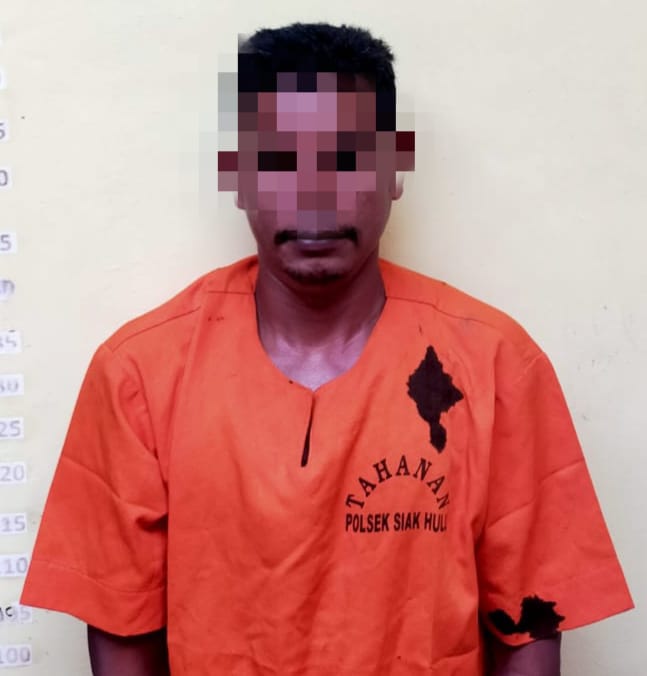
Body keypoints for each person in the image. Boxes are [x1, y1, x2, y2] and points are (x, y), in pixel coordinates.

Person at [21, 22, 632, 676]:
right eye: (281, 160)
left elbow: (529, 631)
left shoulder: (495, 366)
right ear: (237, 176)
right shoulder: (140, 376)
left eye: (345, 159)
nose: (314, 195)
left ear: (395, 168)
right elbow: (122, 631)